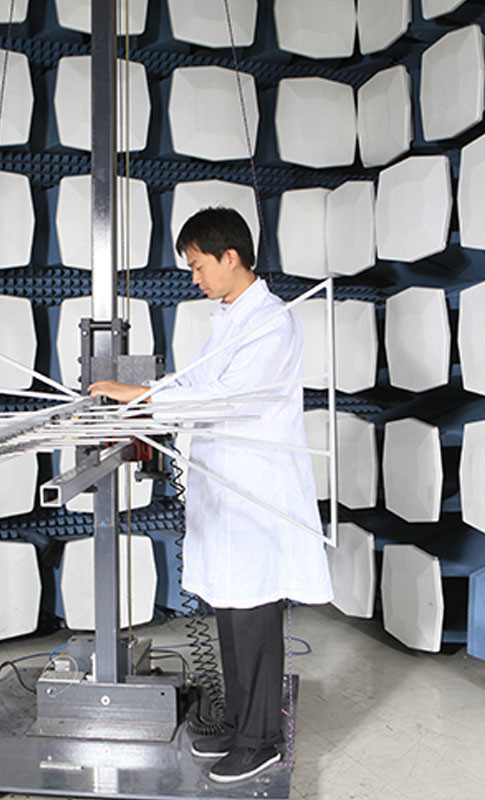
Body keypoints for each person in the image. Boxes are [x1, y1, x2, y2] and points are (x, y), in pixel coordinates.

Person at [89, 207, 332, 783]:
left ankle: (261, 740)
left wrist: (140, 399)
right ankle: (242, 723)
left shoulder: (270, 322)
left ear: (231, 257)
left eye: (199, 266)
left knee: (254, 617)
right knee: (230, 611)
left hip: (255, 491)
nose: (194, 278)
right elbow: (196, 382)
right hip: (226, 490)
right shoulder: (229, 319)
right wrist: (144, 394)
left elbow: (227, 397)